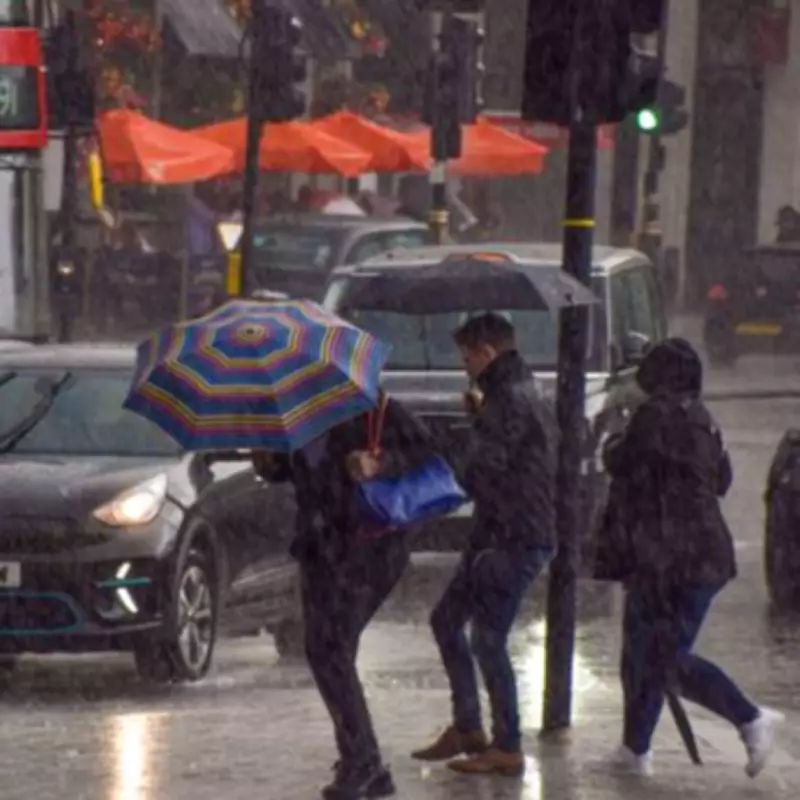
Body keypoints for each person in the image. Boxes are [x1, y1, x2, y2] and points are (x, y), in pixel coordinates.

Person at [600, 337, 784, 778]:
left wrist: (618, 435)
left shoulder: (654, 416)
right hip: (680, 556)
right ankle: (634, 749)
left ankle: (751, 719)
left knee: (663, 657)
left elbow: (618, 459)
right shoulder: (703, 420)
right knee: (642, 652)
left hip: (677, 559)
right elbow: (720, 479)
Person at [252, 397, 434, 800]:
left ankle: (363, 761)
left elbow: (428, 451)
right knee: (325, 652)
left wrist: (379, 463)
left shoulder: (370, 405)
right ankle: (364, 761)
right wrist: (269, 461)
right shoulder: (291, 415)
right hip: (320, 547)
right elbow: (303, 473)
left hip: (369, 547)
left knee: (331, 649)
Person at [411, 313, 556, 776]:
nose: (465, 366)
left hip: (513, 535)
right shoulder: (516, 391)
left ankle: (507, 745)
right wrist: (478, 420)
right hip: (501, 530)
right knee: (447, 620)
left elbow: (482, 468)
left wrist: (445, 449)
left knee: (487, 638)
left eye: (467, 357)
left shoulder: (507, 399)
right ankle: (468, 727)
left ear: (486, 353)